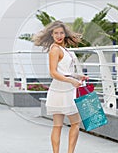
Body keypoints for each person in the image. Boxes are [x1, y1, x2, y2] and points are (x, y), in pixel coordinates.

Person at [33, 20, 88, 153]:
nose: (59, 35)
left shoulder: (63, 49)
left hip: (63, 88)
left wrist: (78, 77)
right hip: (63, 89)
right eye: (56, 33)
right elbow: (53, 72)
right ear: (51, 34)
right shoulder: (55, 49)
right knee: (73, 123)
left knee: (58, 125)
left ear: (65, 34)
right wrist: (71, 81)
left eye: (61, 33)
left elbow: (64, 71)